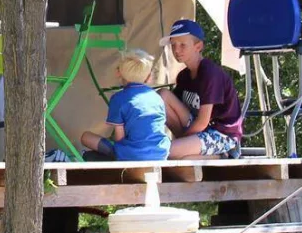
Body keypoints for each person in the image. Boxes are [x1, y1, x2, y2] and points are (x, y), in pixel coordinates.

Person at [161, 18, 244, 158]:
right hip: (199, 131)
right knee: (162, 95)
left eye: (182, 45)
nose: (176, 50)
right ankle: (187, 151)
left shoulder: (210, 73)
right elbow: (173, 110)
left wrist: (181, 141)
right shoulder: (183, 76)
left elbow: (203, 121)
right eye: (173, 45)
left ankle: (222, 155)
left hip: (221, 134)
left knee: (165, 152)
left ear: (198, 46)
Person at [79, 49, 171, 161]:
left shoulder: (118, 98)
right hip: (161, 152)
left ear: (119, 73)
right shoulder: (157, 98)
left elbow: (120, 137)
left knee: (86, 137)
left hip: (132, 154)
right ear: (148, 77)